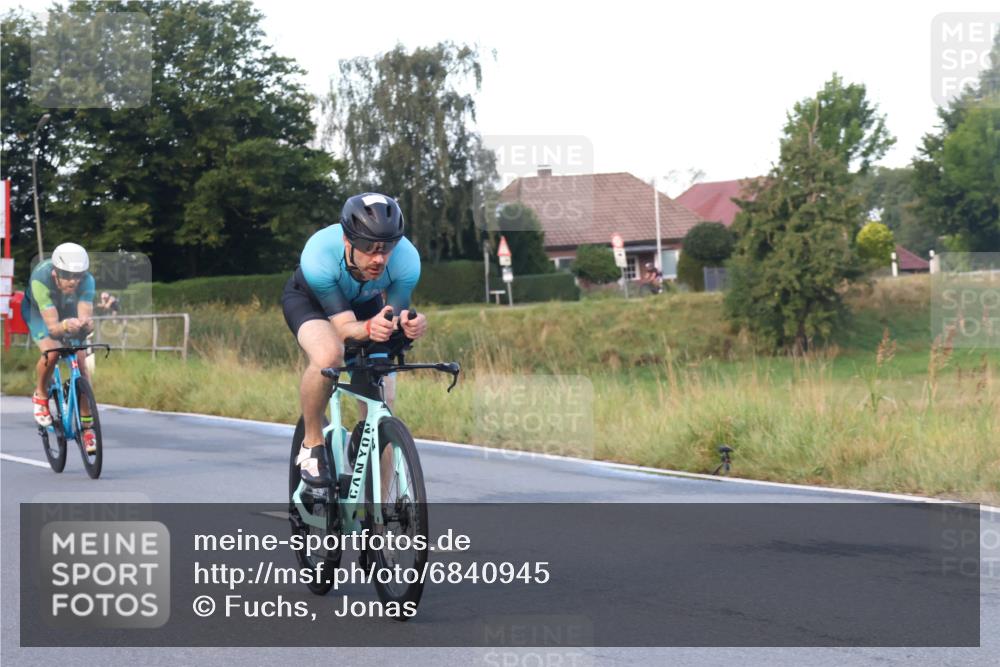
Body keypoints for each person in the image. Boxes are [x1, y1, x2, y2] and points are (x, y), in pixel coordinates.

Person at [282, 193, 427, 486]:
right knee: (328, 356)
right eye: (370, 248)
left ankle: (380, 512)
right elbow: (346, 329)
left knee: (383, 393)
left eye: (387, 248)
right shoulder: (319, 253)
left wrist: (408, 324)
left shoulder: (408, 260)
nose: (379, 258)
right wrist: (371, 328)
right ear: (348, 241)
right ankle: (312, 443)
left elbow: (393, 315)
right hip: (311, 302)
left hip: (365, 306)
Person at [21, 242, 98, 453]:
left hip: (66, 309)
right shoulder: (41, 279)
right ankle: (40, 393)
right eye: (67, 275)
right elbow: (54, 328)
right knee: (53, 351)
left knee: (81, 363)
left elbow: (85, 315)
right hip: (39, 312)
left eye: (78, 275)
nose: (73, 281)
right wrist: (64, 326)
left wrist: (85, 324)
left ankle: (88, 427)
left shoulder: (87, 281)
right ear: (56, 272)